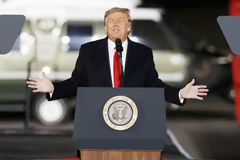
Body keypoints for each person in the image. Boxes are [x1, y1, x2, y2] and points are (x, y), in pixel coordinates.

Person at [26, 7, 208, 157]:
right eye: (110, 21)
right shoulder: (89, 51)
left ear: (129, 26)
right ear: (105, 27)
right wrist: (54, 89)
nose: (114, 24)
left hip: (135, 129)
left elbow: (153, 85)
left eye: (119, 20)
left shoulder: (143, 53)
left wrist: (179, 94)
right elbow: (77, 82)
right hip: (96, 129)